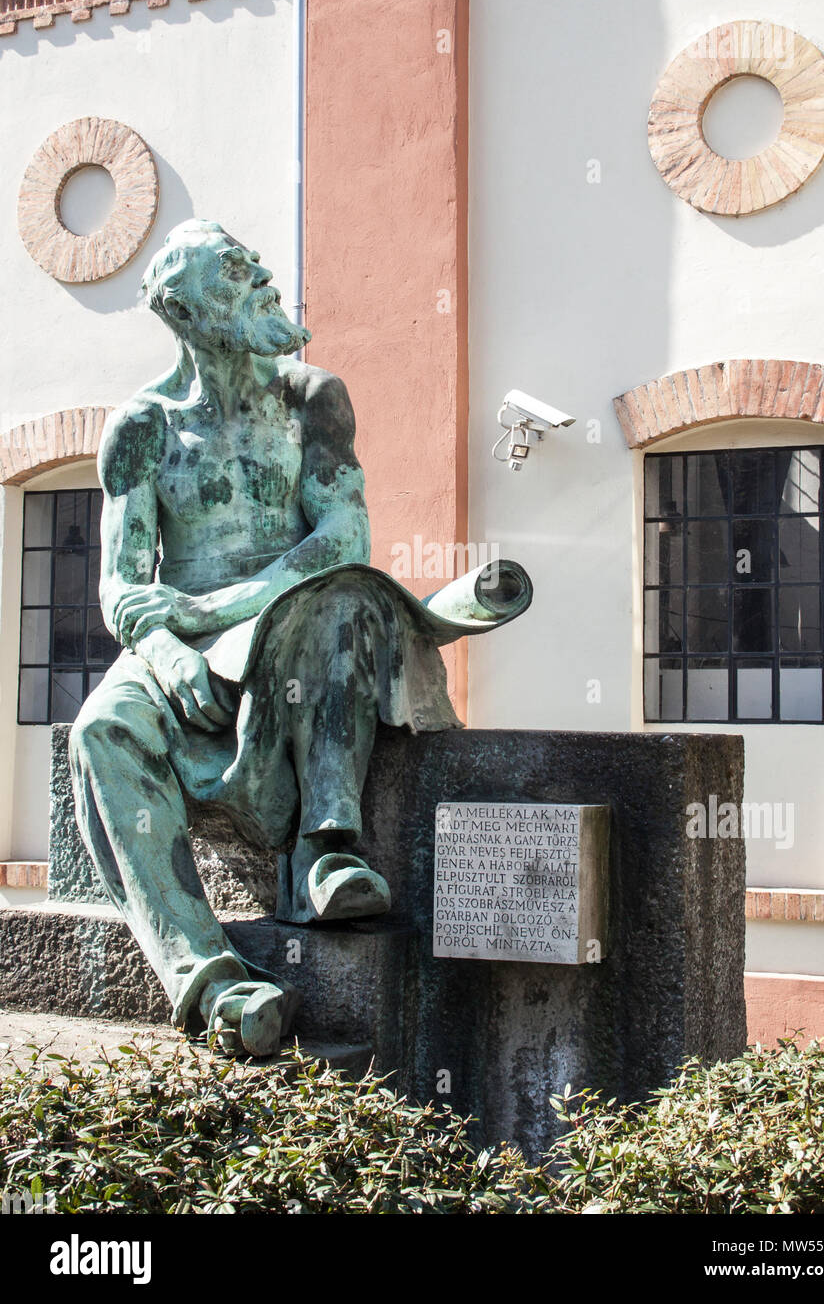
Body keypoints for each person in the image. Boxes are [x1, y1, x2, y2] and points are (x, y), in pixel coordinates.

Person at [69, 220, 530, 1057]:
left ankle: (327, 853)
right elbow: (122, 584)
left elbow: (340, 536)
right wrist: (171, 648)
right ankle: (212, 983)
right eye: (234, 274)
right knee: (101, 728)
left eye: (255, 266)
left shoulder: (312, 397)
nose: (259, 279)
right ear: (182, 308)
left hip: (295, 609)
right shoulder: (142, 425)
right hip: (182, 635)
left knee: (344, 600)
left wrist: (215, 613)